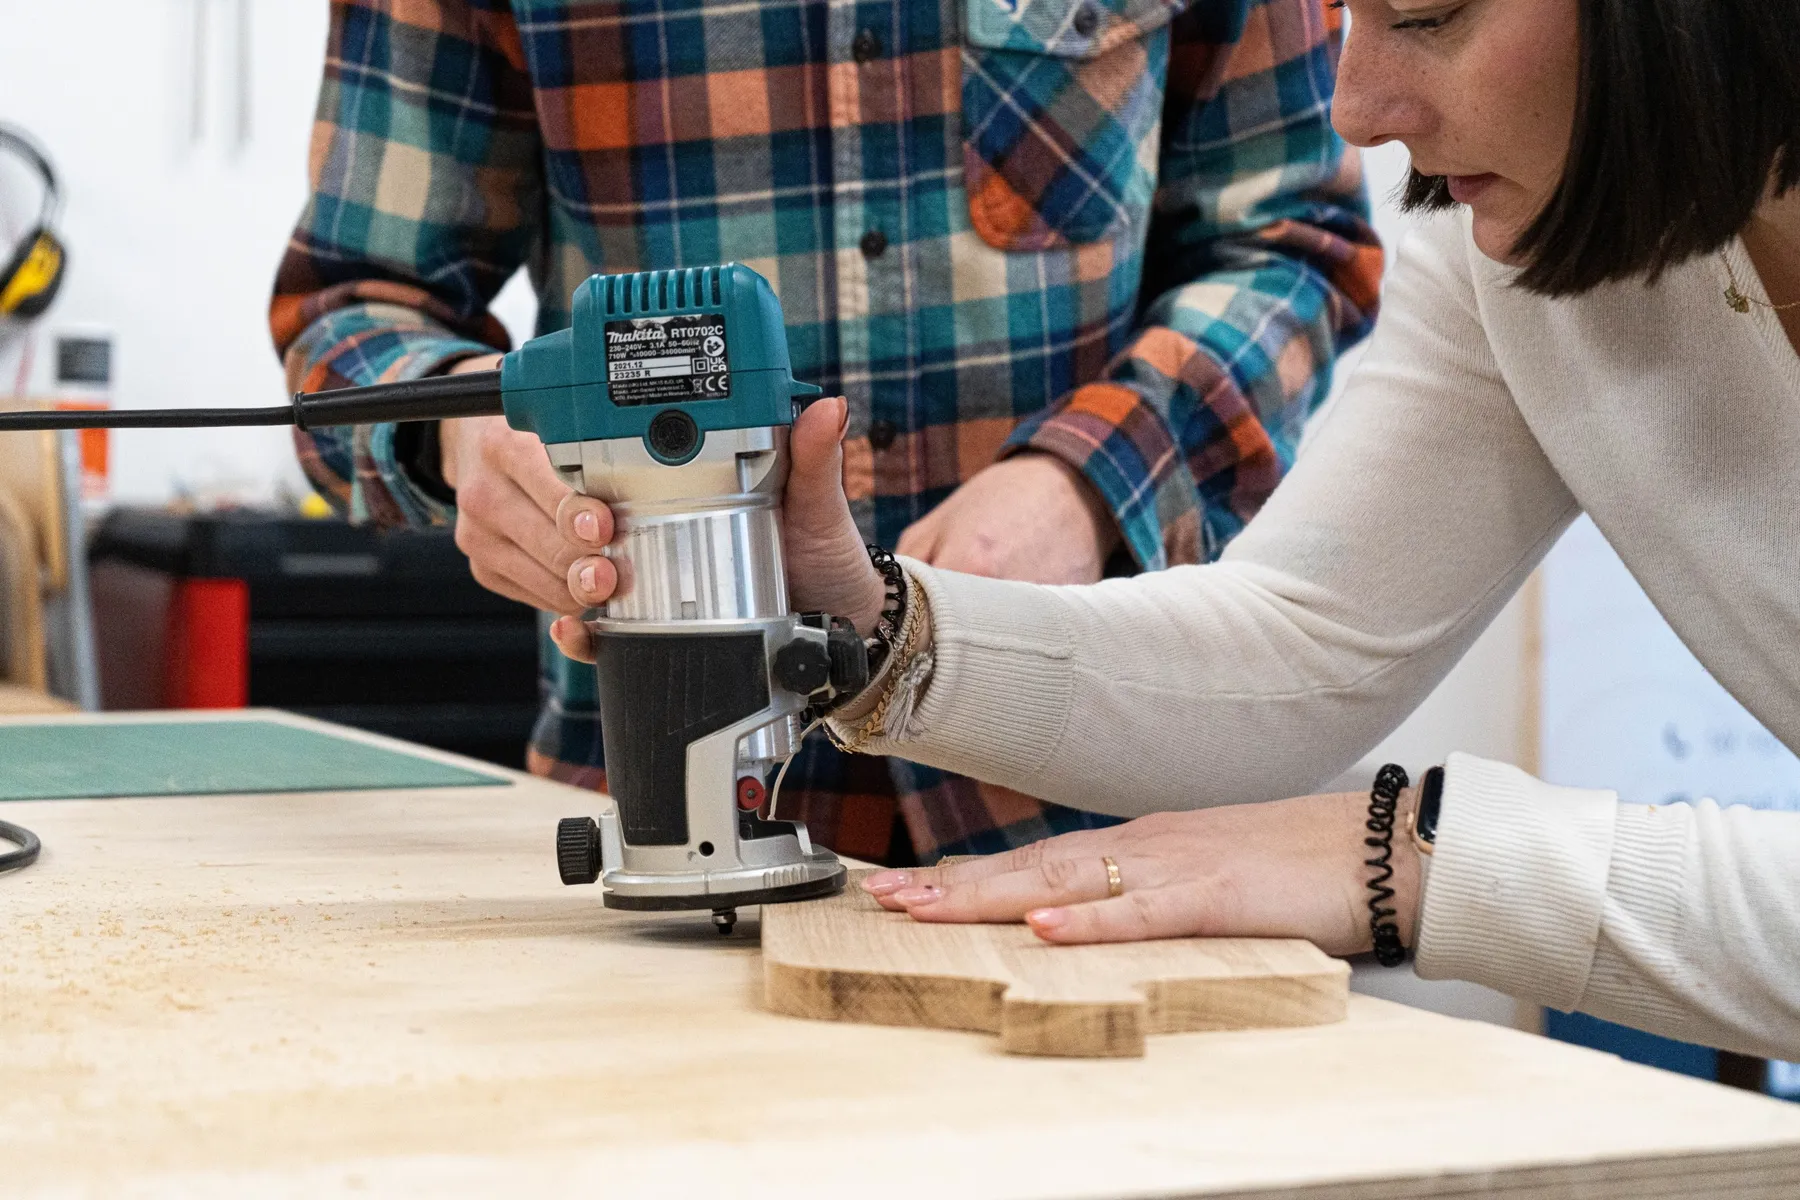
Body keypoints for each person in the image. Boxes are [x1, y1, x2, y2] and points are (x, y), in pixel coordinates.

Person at [552, 0, 1800, 1059]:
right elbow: (1304, 646)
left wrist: (1417, 857)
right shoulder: (1508, 240)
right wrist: (876, 624)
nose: (1356, 107)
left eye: (1428, 16)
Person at [271, 0, 1381, 866]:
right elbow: (356, 305)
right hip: (658, 793)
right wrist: (458, 436)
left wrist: (1092, 480)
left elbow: (1294, 239)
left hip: (1101, 791)